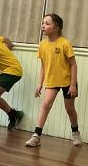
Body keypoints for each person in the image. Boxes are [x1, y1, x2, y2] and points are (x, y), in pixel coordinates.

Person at [25, 14, 80, 148]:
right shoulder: (42, 45)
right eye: (43, 23)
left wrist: (73, 85)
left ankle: (75, 132)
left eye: (47, 23)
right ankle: (36, 136)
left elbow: (73, 65)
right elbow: (43, 66)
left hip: (68, 82)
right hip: (52, 81)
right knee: (46, 104)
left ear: (56, 27)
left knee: (69, 109)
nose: (43, 26)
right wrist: (40, 83)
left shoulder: (64, 43)